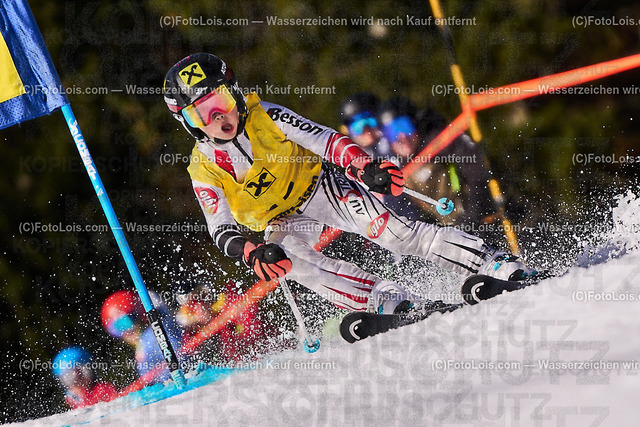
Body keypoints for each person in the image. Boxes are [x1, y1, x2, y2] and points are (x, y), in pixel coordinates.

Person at [162, 53, 535, 315]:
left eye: (221, 100)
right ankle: (386, 300)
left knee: (395, 234)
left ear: (234, 91)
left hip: (320, 188)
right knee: (292, 262)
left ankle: (492, 262)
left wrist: (364, 165)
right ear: (188, 123)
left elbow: (324, 140)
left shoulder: (268, 116)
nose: (219, 117)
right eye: (202, 113)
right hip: (280, 221)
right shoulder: (203, 168)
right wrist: (251, 251)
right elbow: (220, 226)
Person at [101, 290, 183, 382]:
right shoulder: (144, 344)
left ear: (141, 314)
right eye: (119, 327)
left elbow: (181, 360)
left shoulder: (152, 337)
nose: (128, 330)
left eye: (128, 320)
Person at [52, 346, 119, 409]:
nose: (78, 377)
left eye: (82, 370)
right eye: (70, 375)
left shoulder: (102, 390)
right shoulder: (69, 399)